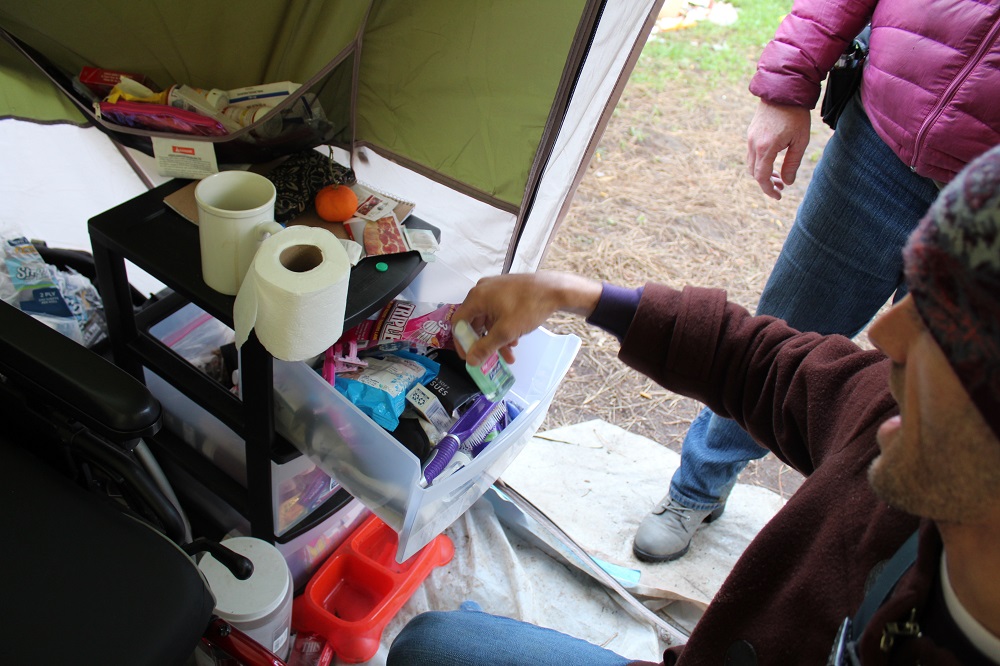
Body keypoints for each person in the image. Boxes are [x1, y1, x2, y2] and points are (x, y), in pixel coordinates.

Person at [385, 145, 1000, 665]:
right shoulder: (895, 431)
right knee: (431, 645)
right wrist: (570, 293)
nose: (887, 333)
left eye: (948, 325)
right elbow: (765, 365)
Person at [634, 0, 1000, 562]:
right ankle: (696, 489)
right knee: (787, 326)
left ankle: (866, 557)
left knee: (938, 396)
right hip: (883, 137)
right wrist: (787, 85)